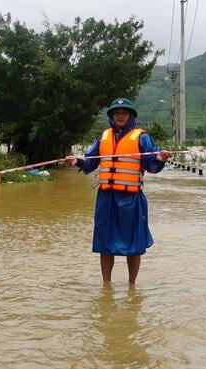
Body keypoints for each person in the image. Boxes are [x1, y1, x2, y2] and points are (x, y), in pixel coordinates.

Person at [65, 98, 170, 286]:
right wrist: (77, 162)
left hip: (132, 199)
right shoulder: (103, 137)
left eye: (124, 113)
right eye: (116, 113)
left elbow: (152, 166)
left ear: (130, 116)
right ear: (112, 116)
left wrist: (160, 159)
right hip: (106, 199)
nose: (120, 116)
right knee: (105, 243)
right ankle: (106, 285)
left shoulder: (142, 137)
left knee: (135, 244)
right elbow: (90, 161)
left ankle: (132, 285)